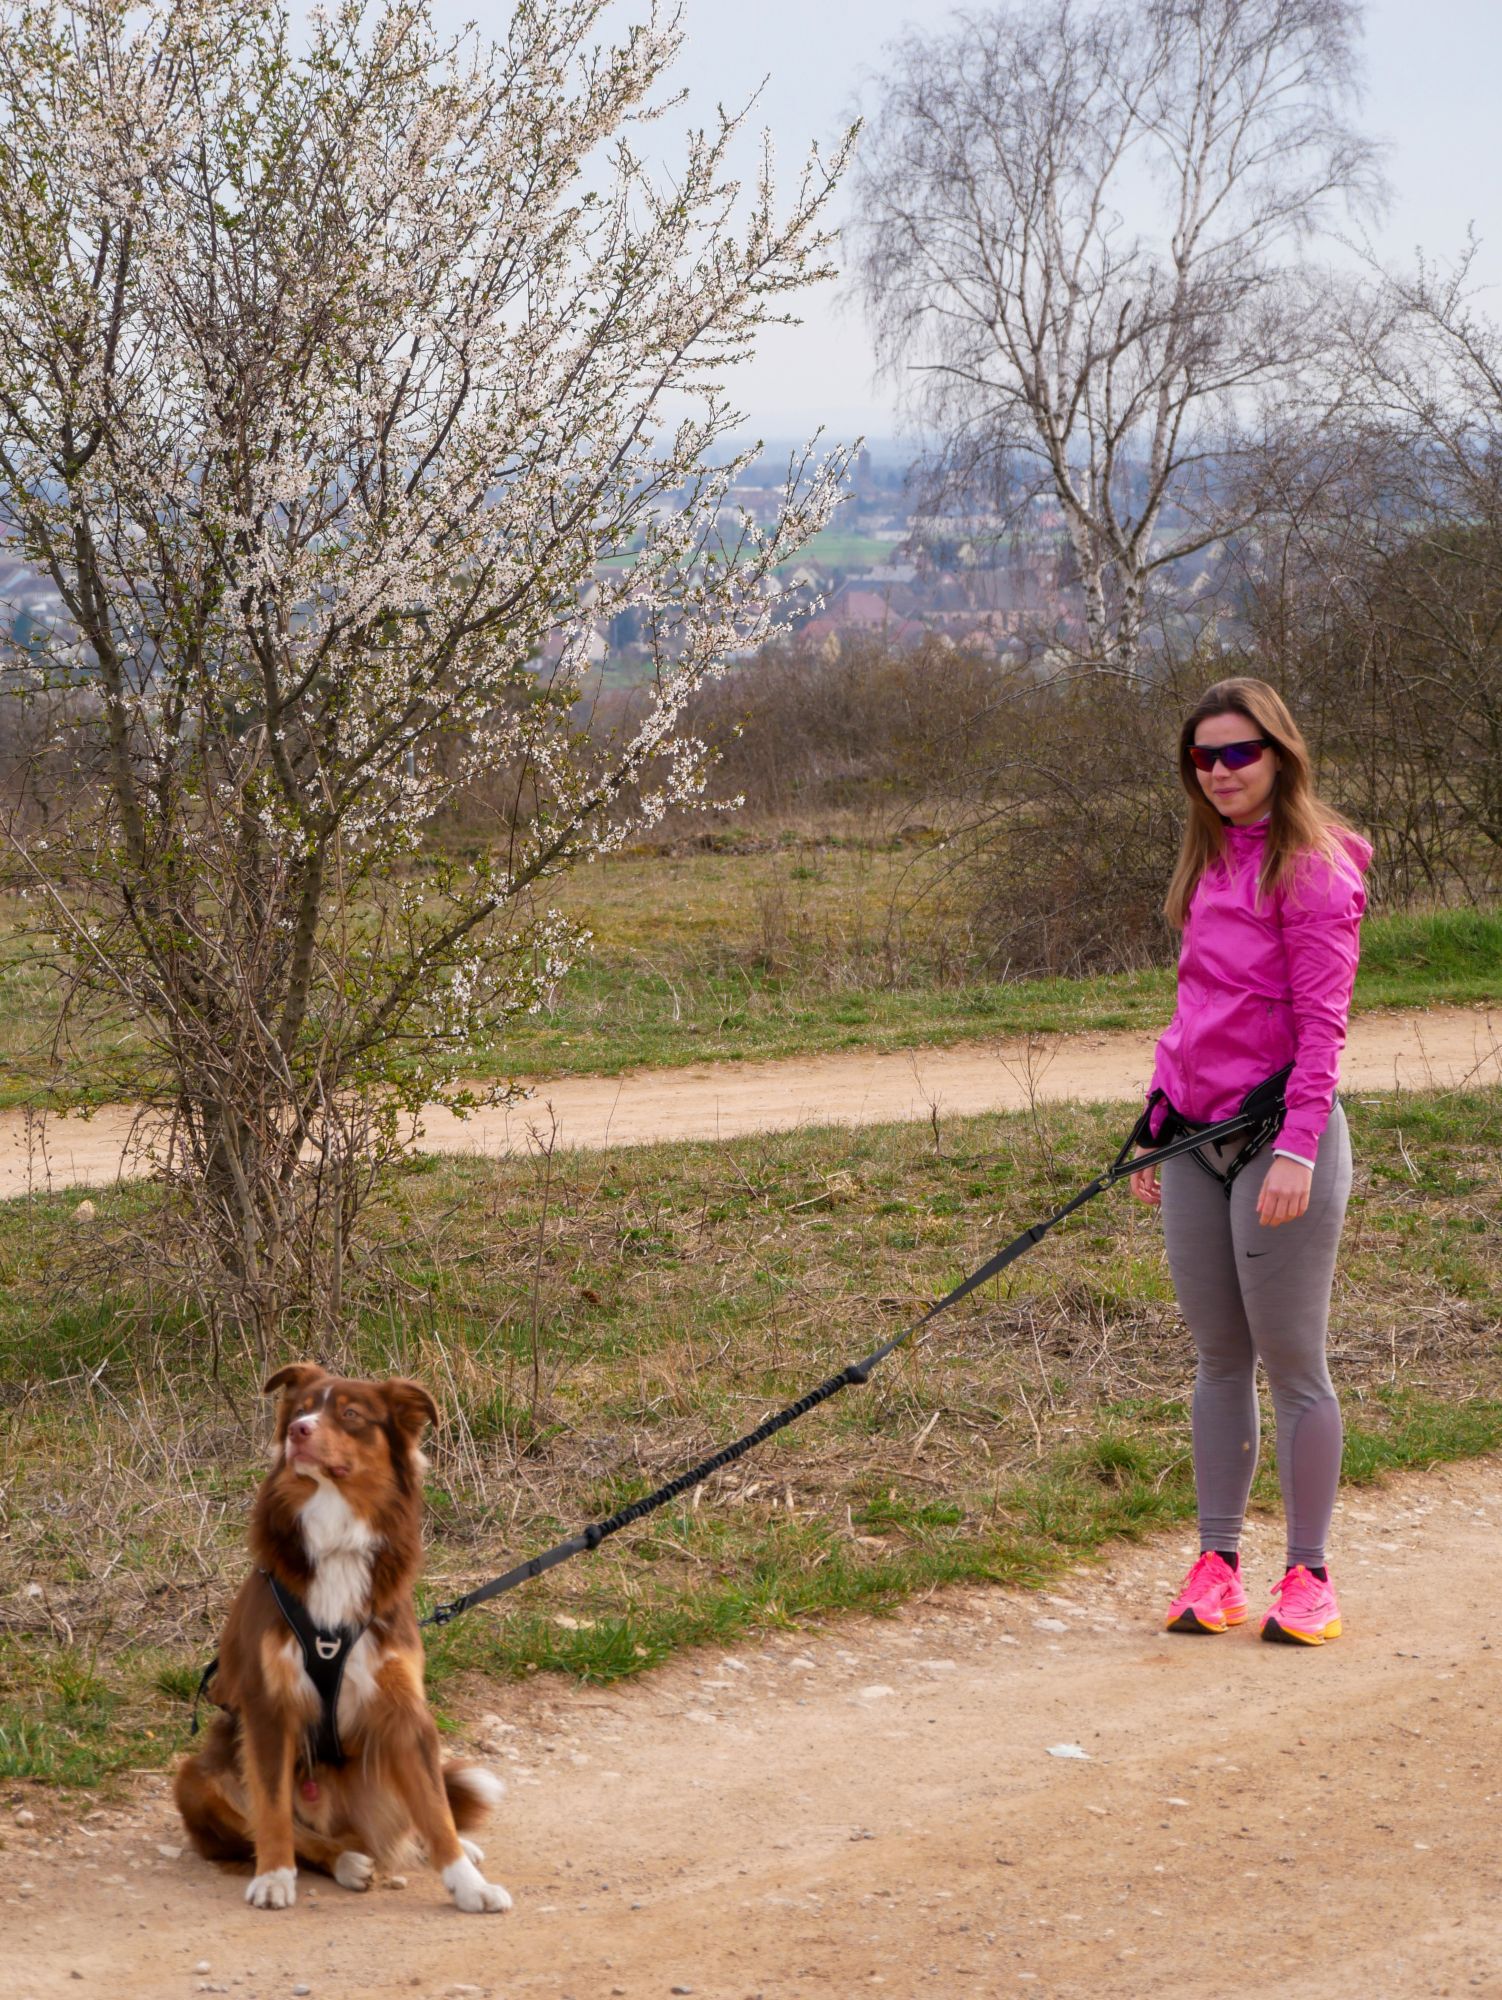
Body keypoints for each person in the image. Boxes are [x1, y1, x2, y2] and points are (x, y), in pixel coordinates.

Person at [1131, 677, 1370, 1647]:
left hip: (1279, 1143)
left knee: (1293, 1363)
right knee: (1218, 1358)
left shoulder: (1313, 870)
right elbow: (1196, 1006)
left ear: (1279, 754)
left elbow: (1321, 1027)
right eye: (1204, 756)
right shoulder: (1203, 860)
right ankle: (1216, 1565)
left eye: (1239, 752)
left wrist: (1296, 1148)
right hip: (1193, 1140)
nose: (1220, 771)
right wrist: (1156, 1113)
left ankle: (1308, 1575)